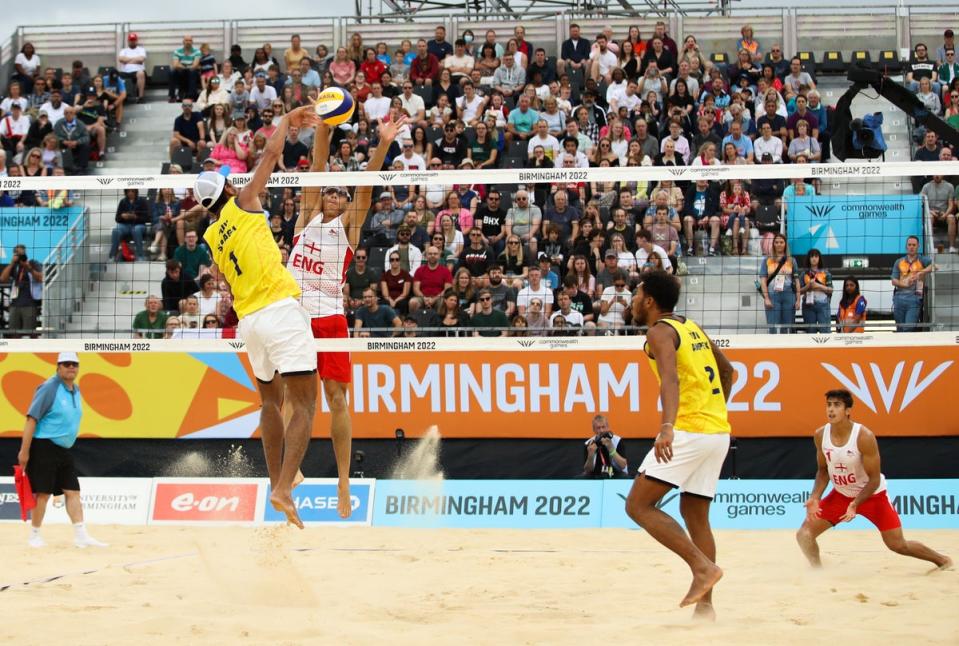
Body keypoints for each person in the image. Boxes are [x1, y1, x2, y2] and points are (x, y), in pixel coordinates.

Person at [194, 104, 324, 528]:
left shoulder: (213, 235)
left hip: (249, 324)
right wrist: (288, 119)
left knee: (270, 401)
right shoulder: (245, 201)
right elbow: (269, 155)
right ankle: (285, 488)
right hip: (279, 312)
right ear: (228, 190)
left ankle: (277, 480)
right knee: (305, 404)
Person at [290, 116, 407, 511]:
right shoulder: (305, 218)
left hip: (330, 317)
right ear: (322, 197)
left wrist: (383, 144)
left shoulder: (348, 228)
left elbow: (366, 187)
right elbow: (317, 167)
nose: (337, 197)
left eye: (342, 195)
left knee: (337, 400)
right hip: (296, 319)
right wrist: (324, 127)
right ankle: (292, 469)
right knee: (290, 400)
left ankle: (343, 482)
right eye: (332, 194)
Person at [625, 270, 732, 616]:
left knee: (638, 506)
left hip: (689, 429)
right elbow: (729, 371)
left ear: (651, 301)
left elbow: (668, 379)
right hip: (718, 431)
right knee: (696, 516)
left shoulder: (659, 331)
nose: (633, 300)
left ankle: (703, 569)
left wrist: (667, 427)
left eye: (637, 294)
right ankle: (706, 608)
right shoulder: (691, 326)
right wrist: (714, 411)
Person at [796, 389, 952, 570]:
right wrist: (815, 496)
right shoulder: (821, 435)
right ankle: (818, 571)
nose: (831, 410)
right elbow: (823, 471)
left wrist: (855, 503)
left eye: (837, 405)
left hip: (872, 497)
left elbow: (874, 480)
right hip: (841, 495)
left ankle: (943, 560)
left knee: (898, 545)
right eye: (828, 405)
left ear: (848, 410)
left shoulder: (864, 436)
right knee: (804, 535)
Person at [17, 352, 108, 549]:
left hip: (63, 449)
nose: (71, 367)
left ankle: (81, 535)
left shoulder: (75, 389)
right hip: (44, 445)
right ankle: (35, 535)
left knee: (73, 491)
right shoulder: (49, 387)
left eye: (74, 364)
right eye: (66, 364)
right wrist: (24, 451)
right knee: (43, 493)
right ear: (58, 366)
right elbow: (31, 419)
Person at [891, 235, 936, 332]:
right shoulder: (899, 262)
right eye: (909, 245)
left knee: (908, 328)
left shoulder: (922, 260)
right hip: (899, 298)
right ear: (906, 246)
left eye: (914, 245)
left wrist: (921, 272)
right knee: (900, 329)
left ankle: (907, 346)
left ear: (918, 246)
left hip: (914, 298)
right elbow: (893, 281)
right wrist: (905, 284)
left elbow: (934, 266)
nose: (911, 247)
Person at [760, 233, 799, 334]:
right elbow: (763, 280)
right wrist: (766, 298)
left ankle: (787, 348)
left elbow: (797, 281)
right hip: (772, 295)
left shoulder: (792, 260)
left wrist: (798, 299)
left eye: (781, 242)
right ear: (773, 244)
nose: (779, 244)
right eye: (776, 242)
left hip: (789, 295)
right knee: (772, 326)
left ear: (785, 244)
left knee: (787, 327)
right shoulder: (766, 260)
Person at [1, 244, 43, 337]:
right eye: (18, 254)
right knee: (13, 334)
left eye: (22, 254)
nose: (20, 256)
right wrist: (12, 263)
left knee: (29, 334)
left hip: (29, 304)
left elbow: (41, 278)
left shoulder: (32, 263)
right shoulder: (14, 266)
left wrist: (29, 268)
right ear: (14, 254)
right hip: (15, 304)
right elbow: (3, 279)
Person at [799, 249, 833, 334]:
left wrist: (818, 286)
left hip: (823, 305)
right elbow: (798, 291)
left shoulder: (826, 273)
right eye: (812, 256)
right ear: (809, 259)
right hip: (808, 305)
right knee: (810, 333)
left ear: (819, 258)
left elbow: (831, 290)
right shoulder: (804, 274)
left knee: (825, 332)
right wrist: (808, 286)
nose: (814, 258)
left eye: (816, 256)